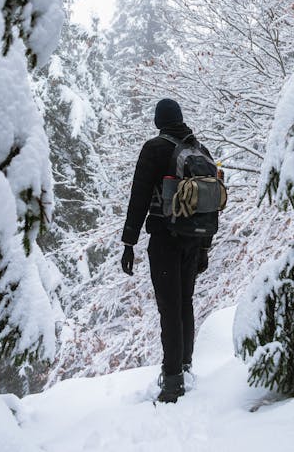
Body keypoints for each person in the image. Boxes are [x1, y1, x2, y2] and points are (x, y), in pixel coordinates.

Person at [120, 98, 213, 403]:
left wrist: (129, 243)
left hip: (164, 238)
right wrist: (204, 247)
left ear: (159, 121)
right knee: (185, 302)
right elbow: (208, 204)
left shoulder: (155, 149)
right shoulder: (200, 150)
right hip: (193, 239)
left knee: (168, 307)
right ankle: (184, 366)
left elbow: (139, 197)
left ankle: (172, 380)